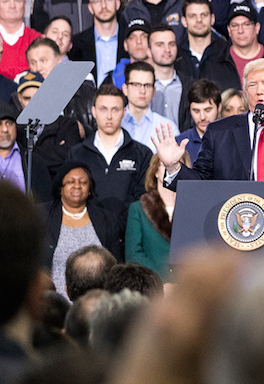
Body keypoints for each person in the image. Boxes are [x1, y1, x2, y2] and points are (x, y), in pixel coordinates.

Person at [153, 59, 264, 205]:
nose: (259, 91)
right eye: (253, 85)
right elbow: (201, 182)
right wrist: (173, 167)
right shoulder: (219, 131)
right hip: (234, 230)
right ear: (245, 92)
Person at [66, 83, 150, 223]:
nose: (109, 116)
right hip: (87, 233)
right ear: (93, 111)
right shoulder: (77, 154)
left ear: (124, 112)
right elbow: (69, 199)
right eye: (103, 109)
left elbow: (144, 200)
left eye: (115, 110)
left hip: (127, 236)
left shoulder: (142, 154)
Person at [41, 162, 123, 298]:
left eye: (83, 182)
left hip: (99, 305)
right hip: (54, 304)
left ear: (90, 188)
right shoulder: (42, 215)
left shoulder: (107, 219)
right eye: (70, 181)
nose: (77, 185)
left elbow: (117, 265)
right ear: (60, 188)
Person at [125, 154, 184, 281]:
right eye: (165, 164)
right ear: (155, 171)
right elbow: (133, 254)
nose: (171, 169)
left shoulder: (192, 208)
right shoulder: (138, 208)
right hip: (151, 286)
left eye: (177, 164)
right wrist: (161, 281)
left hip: (186, 287)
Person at [148, 24, 190, 129]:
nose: (167, 49)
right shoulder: (141, 86)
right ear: (149, 51)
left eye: (171, 44)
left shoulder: (189, 85)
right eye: (160, 45)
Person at [0, 0, 40, 80]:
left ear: (25, 4)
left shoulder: (38, 40)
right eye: (6, 1)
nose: (12, 6)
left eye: (17, 0)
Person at [176, 78, 220, 164]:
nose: (202, 117)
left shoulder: (231, 140)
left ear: (219, 107)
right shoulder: (179, 143)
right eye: (196, 111)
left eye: (208, 110)